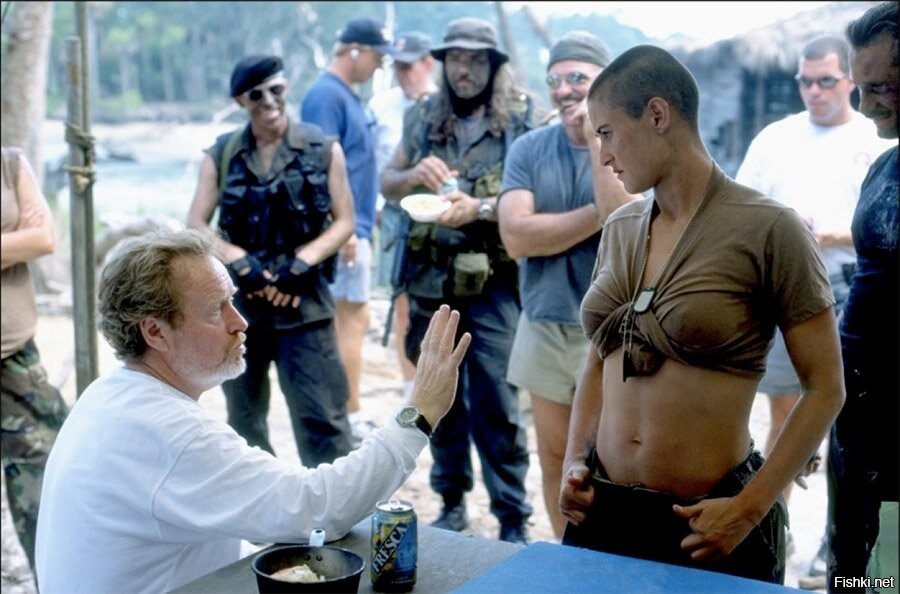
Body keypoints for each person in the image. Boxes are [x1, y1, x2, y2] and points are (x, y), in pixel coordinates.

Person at [33, 228, 471, 593]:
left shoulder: (111, 393)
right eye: (216, 310)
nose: (239, 322)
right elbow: (320, 506)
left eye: (232, 300)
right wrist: (420, 412)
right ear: (155, 332)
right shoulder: (167, 430)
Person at [559, 45, 845, 584]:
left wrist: (750, 508)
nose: (603, 155)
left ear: (657, 115)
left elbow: (826, 387)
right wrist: (576, 460)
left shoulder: (769, 229)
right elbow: (599, 359)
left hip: (708, 522)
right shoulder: (621, 229)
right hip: (604, 508)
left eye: (607, 133)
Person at [734, 33, 893, 578]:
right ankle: (776, 526)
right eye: (805, 81)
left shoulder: (876, 140)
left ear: (849, 80)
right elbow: (741, 205)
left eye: (826, 80)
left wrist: (831, 235)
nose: (814, 91)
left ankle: (850, 557)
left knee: (854, 433)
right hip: (789, 294)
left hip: (852, 287)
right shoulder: (777, 138)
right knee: (792, 419)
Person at [381, 17, 538, 544]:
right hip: (431, 280)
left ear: (493, 66)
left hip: (494, 282)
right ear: (443, 63)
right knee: (436, 398)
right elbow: (387, 182)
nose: (464, 70)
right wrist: (413, 177)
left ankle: (512, 516)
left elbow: (537, 195)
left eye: (475, 60)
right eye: (455, 59)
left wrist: (482, 207)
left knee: (498, 402)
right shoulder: (423, 116)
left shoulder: (522, 119)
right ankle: (450, 502)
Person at [497, 31, 638, 539]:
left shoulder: (631, 144)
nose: (563, 90)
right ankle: (566, 554)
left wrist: (599, 137)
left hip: (613, 330)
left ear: (607, 81)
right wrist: (593, 216)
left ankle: (611, 559)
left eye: (577, 77)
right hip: (545, 321)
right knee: (556, 459)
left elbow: (622, 216)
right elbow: (516, 237)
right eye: (555, 80)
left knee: (615, 463)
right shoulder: (530, 148)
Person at [187, 55, 355, 467]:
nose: (268, 102)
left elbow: (345, 221)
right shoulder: (222, 154)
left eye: (275, 90)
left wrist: (302, 263)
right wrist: (238, 260)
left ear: (286, 89)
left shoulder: (323, 150)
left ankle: (335, 505)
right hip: (242, 310)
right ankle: (264, 503)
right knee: (245, 421)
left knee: (323, 420)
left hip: (305, 305)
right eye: (256, 95)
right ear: (240, 102)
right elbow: (196, 223)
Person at [829, 3, 898, 590]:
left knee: (891, 575)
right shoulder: (884, 168)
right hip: (857, 418)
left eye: (880, 88)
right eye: (862, 88)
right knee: (852, 569)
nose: (867, 106)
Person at [301, 18, 396, 441]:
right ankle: (348, 415)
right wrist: (341, 229)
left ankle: (348, 411)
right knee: (350, 318)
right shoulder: (326, 96)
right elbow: (318, 168)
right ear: (354, 49)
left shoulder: (345, 95)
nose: (379, 66)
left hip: (356, 226)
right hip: (344, 232)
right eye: (376, 56)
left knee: (353, 316)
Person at [0, 147, 69, 577]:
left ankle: (55, 580)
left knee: (49, 477)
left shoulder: (10, 163)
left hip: (14, 354)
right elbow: (28, 239)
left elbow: (44, 238)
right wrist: (14, 242)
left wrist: (29, 239)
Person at [369, 31, 438, 402]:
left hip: (438, 214)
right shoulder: (381, 106)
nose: (402, 74)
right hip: (395, 213)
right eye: (397, 66)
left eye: (408, 66)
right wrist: (376, 209)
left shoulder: (444, 104)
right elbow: (372, 166)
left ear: (428, 63)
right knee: (401, 303)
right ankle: (410, 387)